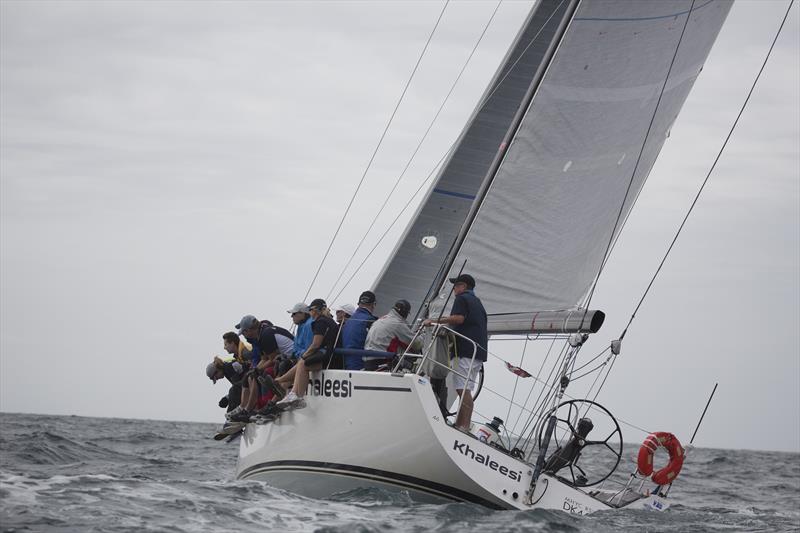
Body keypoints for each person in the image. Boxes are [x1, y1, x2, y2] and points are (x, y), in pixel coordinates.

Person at [423, 274, 487, 431]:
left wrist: (434, 321)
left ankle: (463, 426)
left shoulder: (462, 298)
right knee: (466, 389)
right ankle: (462, 425)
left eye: (456, 285)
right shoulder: (478, 302)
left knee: (462, 389)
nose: (454, 289)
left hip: (465, 351)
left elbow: (459, 319)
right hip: (477, 352)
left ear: (464, 287)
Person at [276, 298, 339, 409]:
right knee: (302, 362)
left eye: (310, 310)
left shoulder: (320, 322)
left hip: (327, 357)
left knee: (302, 363)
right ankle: (290, 392)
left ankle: (294, 394)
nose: (309, 312)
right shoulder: (327, 321)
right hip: (331, 356)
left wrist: (304, 356)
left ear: (315, 310)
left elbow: (315, 344)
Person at [232, 315, 295, 420]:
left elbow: (272, 358)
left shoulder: (266, 334)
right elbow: (265, 358)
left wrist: (258, 369)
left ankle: (267, 406)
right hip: (285, 358)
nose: (244, 335)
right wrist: (255, 370)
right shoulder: (261, 334)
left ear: (250, 330)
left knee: (266, 373)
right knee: (251, 376)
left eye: (244, 332)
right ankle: (248, 409)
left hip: (293, 358)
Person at [363, 299, 419, 370]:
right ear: (405, 313)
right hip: (382, 362)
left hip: (367, 362)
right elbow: (417, 344)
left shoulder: (381, 319)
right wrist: (424, 334)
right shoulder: (397, 323)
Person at [340, 290, 378, 370]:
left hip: (345, 364)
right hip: (360, 365)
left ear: (359, 303)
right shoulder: (370, 320)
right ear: (373, 304)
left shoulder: (348, 321)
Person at [287, 302, 313, 374]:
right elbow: (296, 347)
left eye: (294, 314)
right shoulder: (300, 326)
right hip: (299, 358)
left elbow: (308, 347)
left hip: (305, 359)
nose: (292, 316)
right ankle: (278, 383)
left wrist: (296, 358)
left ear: (303, 313)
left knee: (285, 367)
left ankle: (279, 382)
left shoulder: (309, 324)